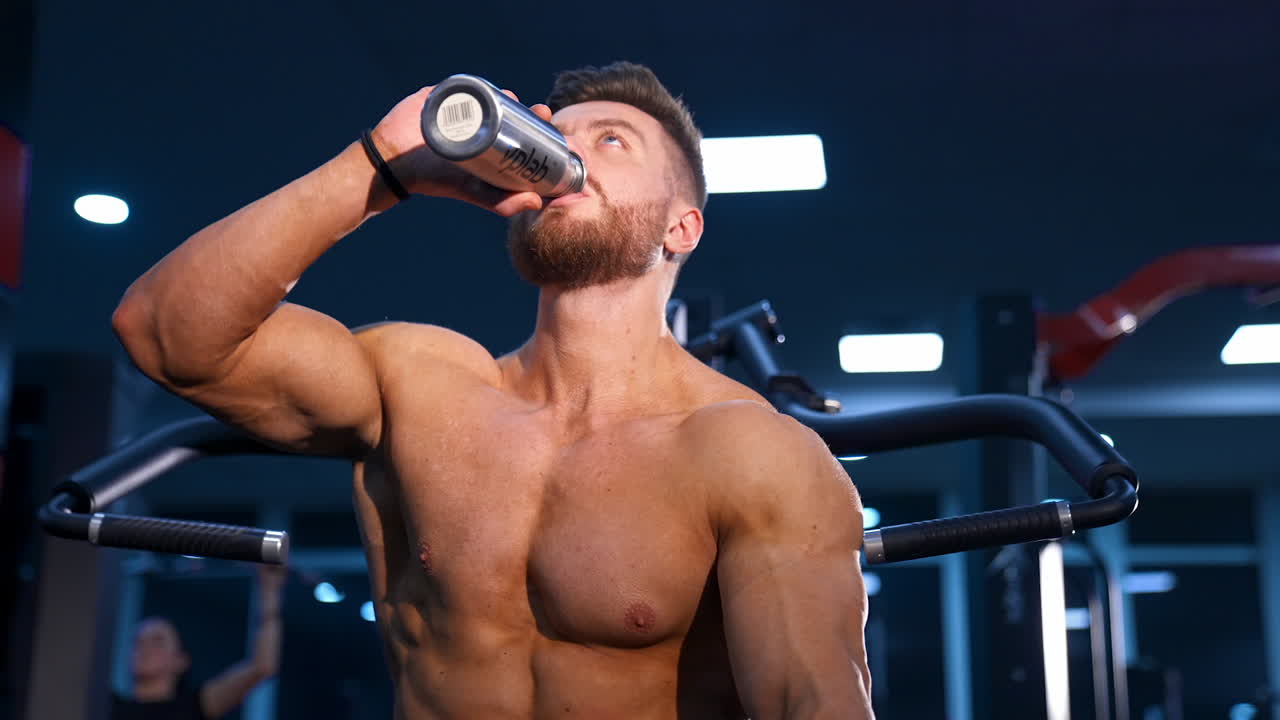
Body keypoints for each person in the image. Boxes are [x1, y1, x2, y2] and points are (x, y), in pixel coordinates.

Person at [112, 61, 875, 718]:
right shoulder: (420, 385)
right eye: (559, 133)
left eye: (612, 139)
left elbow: (814, 706)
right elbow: (164, 333)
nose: (571, 149)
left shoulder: (751, 451)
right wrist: (377, 168)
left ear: (681, 229)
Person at [111, 565, 285, 720]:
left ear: (180, 660)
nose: (143, 648)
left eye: (157, 641)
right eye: (137, 642)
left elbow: (262, 666)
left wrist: (269, 590)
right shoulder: (108, 706)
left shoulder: (195, 707)